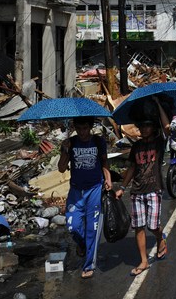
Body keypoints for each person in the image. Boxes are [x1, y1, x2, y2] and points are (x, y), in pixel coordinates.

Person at [116, 99, 170, 277]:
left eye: (148, 126)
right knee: (139, 227)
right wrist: (123, 187)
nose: (145, 129)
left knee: (153, 225)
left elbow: (167, 127)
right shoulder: (137, 146)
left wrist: (158, 104)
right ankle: (144, 261)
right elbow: (132, 168)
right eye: (142, 126)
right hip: (137, 191)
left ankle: (159, 238)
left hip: (154, 189)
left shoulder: (159, 143)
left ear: (153, 127)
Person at [58, 117, 112, 279]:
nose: (82, 132)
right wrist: (66, 150)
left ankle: (88, 264)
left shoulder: (98, 141)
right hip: (76, 191)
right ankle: (81, 244)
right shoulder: (70, 143)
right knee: (72, 226)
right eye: (79, 128)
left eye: (85, 128)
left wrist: (108, 178)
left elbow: (104, 162)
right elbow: (61, 169)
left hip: (94, 189)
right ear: (74, 127)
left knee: (92, 229)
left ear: (90, 127)